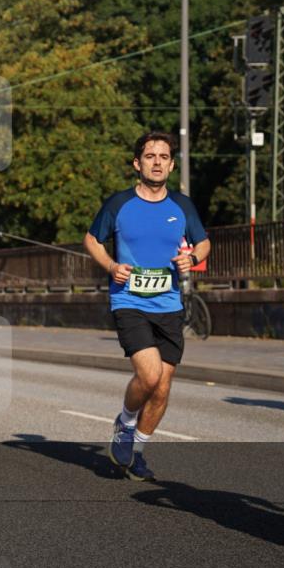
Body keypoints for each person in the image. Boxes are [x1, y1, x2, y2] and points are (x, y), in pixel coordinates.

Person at [83, 132, 210, 481]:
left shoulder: (182, 206)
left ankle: (137, 451)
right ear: (137, 164)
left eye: (164, 156)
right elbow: (91, 239)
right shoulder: (119, 204)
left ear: (171, 164)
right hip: (129, 301)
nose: (157, 162)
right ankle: (125, 422)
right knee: (149, 375)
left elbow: (204, 242)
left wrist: (193, 257)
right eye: (150, 156)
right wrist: (111, 266)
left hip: (169, 305)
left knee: (163, 387)